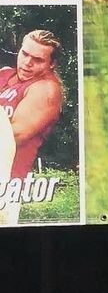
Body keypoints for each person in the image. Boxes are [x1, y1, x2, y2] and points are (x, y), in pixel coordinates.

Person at [0, 28, 65, 179]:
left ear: (52, 64)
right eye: (25, 54)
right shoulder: (5, 74)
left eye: (38, 60)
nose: (28, 63)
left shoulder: (46, 89)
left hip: (8, 182)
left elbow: (11, 137)